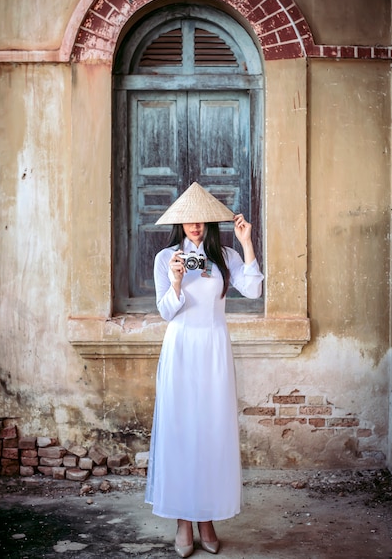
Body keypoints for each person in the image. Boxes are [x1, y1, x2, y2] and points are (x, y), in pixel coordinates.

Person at [145, 182, 264, 557]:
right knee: (180, 431)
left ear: (210, 222)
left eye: (201, 220)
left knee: (211, 432)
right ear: (180, 223)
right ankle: (183, 521)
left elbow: (254, 291)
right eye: (188, 220)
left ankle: (207, 519)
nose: (195, 226)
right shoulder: (166, 258)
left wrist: (246, 242)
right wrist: (177, 282)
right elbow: (166, 312)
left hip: (213, 349)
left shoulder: (225, 256)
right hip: (180, 348)